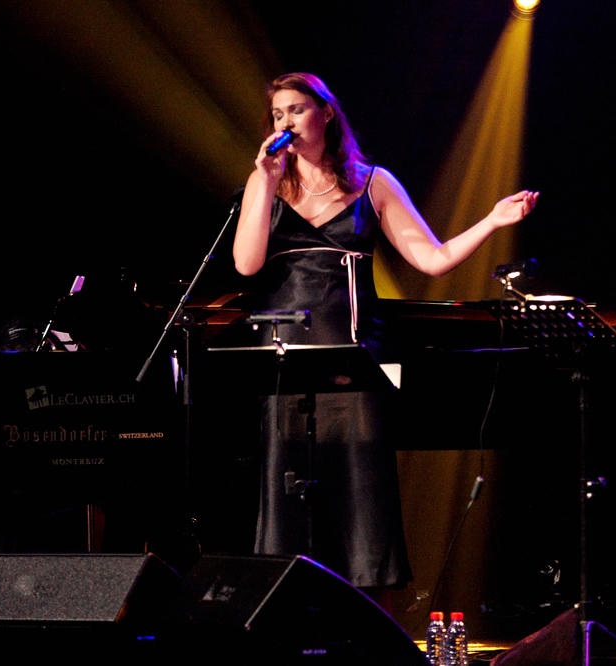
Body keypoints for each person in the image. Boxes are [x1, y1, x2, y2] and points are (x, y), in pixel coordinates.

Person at [232, 72, 538, 597]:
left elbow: (432, 258)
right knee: (288, 489)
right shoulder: (267, 183)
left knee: (358, 490)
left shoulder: (373, 183)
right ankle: (288, 606)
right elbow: (246, 263)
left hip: (352, 356)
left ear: (326, 113)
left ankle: (362, 615)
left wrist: (491, 221)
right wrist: (262, 180)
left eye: (297, 110)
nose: (286, 123)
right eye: (278, 114)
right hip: (286, 355)